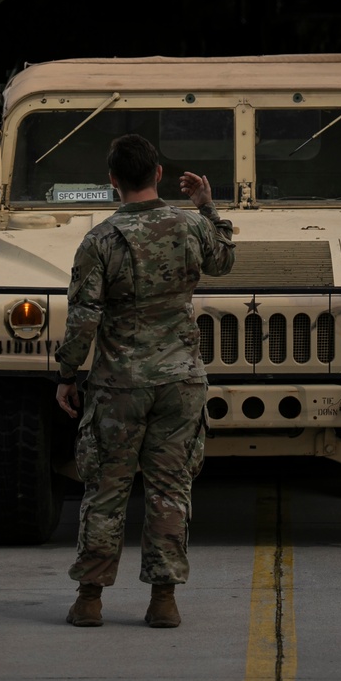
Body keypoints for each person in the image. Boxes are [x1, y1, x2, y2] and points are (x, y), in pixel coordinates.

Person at [55, 133, 235, 629]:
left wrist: (68, 373)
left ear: (112, 181)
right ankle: (163, 601)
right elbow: (224, 261)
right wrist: (207, 206)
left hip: (120, 385)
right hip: (181, 383)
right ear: (157, 175)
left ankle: (90, 599)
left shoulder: (100, 240)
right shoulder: (190, 226)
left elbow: (84, 319)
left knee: (107, 490)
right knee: (170, 490)